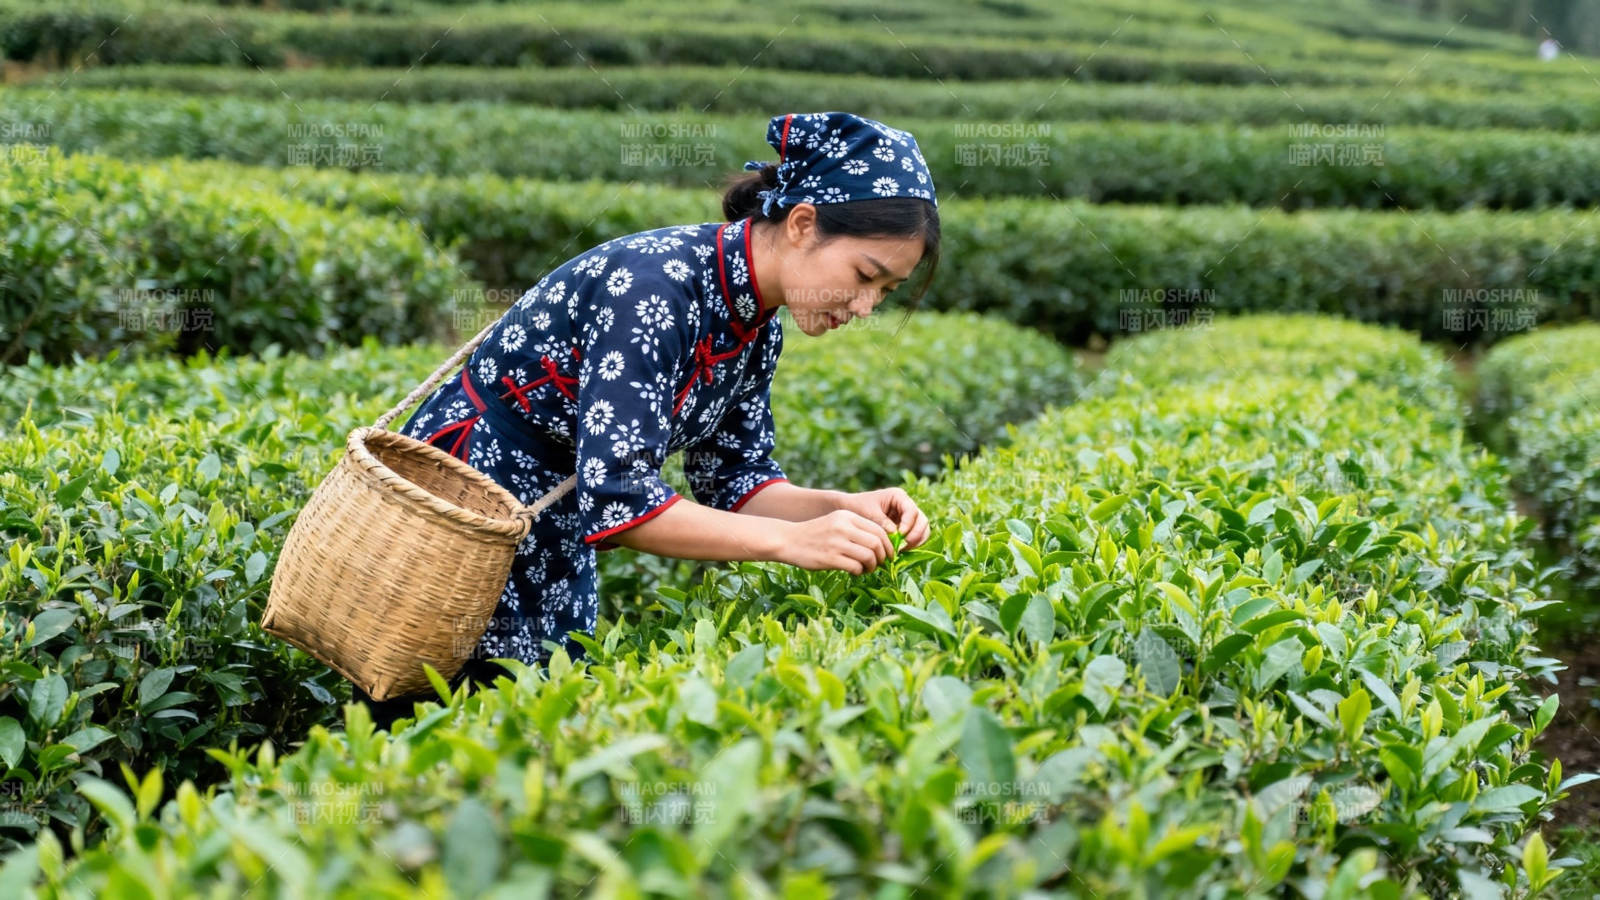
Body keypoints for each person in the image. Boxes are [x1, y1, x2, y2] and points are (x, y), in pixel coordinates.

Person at [348, 111, 942, 731]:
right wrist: (791, 543)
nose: (867, 306)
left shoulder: (756, 326)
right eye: (865, 276)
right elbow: (620, 501)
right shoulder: (655, 288)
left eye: (887, 291)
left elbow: (737, 483)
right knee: (417, 723)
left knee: (514, 733)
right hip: (460, 513)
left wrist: (840, 508)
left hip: (545, 525)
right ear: (801, 224)